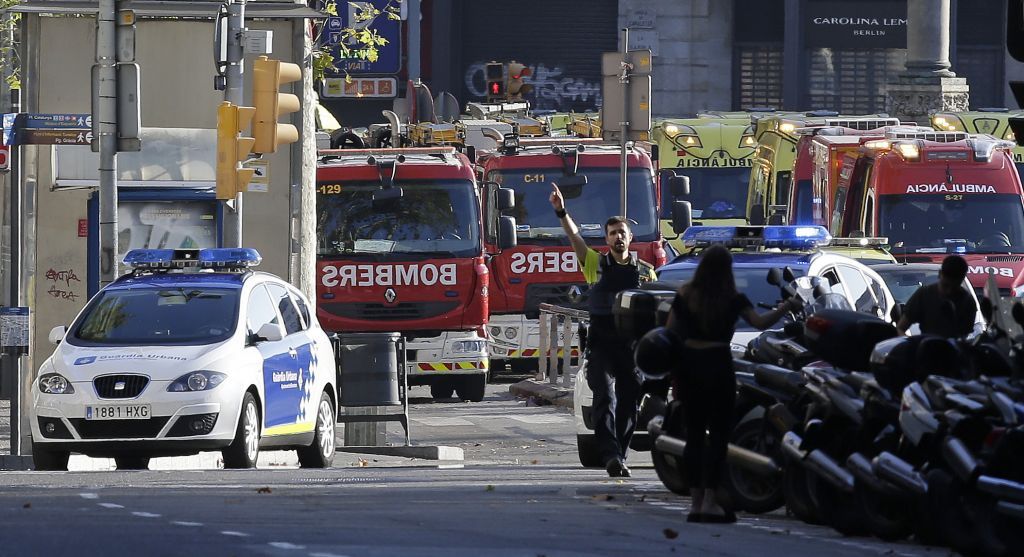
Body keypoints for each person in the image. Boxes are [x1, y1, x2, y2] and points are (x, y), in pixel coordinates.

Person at [665, 245, 800, 523]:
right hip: (719, 366)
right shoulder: (733, 298)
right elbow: (760, 322)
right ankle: (711, 501)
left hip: (691, 367)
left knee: (693, 438)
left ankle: (696, 502)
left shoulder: (685, 295)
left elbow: (669, 331)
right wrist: (786, 306)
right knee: (718, 438)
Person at [550, 182, 656, 478]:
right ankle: (610, 454)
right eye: (612, 233)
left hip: (632, 347)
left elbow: (656, 306)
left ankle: (620, 454)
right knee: (604, 398)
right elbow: (574, 237)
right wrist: (561, 211)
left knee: (629, 402)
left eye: (622, 232)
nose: (618, 237)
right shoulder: (594, 264)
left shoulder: (646, 271)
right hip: (602, 345)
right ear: (607, 239)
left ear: (630, 237)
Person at [896, 255, 977, 338]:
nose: (949, 291)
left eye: (954, 287)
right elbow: (901, 328)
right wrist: (913, 346)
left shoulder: (967, 301)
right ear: (940, 274)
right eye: (945, 285)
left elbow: (966, 335)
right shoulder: (924, 294)